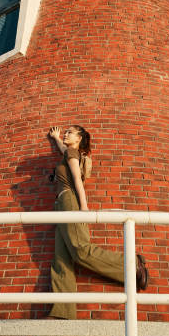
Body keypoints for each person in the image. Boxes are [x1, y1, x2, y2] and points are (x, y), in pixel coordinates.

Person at [48, 124, 149, 319]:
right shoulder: (67, 151)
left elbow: (77, 179)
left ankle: (132, 265)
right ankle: (62, 312)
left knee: (80, 250)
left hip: (70, 200)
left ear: (79, 139)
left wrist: (84, 207)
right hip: (60, 204)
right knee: (61, 259)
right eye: (65, 132)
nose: (66, 133)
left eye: (70, 132)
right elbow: (63, 150)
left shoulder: (72, 153)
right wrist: (56, 138)